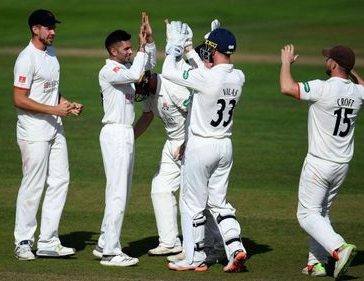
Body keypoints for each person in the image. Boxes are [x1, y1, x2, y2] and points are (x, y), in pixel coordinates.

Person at [279, 44, 364, 279]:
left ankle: (339, 248)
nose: (326, 62)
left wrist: (285, 63)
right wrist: (353, 74)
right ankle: (317, 263)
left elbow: (287, 88)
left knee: (306, 215)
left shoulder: (322, 88)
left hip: (318, 164)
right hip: (341, 166)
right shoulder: (357, 93)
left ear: (333, 65)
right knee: (320, 213)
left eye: (328, 60)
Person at [162, 23, 248, 273]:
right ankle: (235, 249)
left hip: (201, 146)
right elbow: (207, 72)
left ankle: (194, 257)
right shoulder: (239, 77)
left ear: (214, 49)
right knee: (219, 203)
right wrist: (191, 50)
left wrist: (176, 47)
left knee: (192, 204)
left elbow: (168, 71)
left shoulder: (205, 78)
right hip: (225, 146)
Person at [12, 9, 83, 261]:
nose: (53, 31)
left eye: (54, 27)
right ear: (35, 29)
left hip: (55, 128)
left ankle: (48, 241)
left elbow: (49, 90)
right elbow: (19, 99)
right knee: (33, 184)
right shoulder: (26, 58)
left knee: (60, 181)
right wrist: (55, 109)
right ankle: (23, 241)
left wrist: (66, 103)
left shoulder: (51, 54)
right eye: (48, 27)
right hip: (33, 132)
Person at [92, 12, 156, 267]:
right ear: (113, 51)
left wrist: (148, 41)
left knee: (121, 192)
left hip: (124, 133)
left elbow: (146, 67)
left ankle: (104, 242)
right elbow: (135, 74)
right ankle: (110, 252)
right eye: (127, 49)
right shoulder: (110, 71)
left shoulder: (125, 67)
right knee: (117, 194)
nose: (130, 52)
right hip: (115, 132)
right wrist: (141, 48)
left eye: (131, 48)